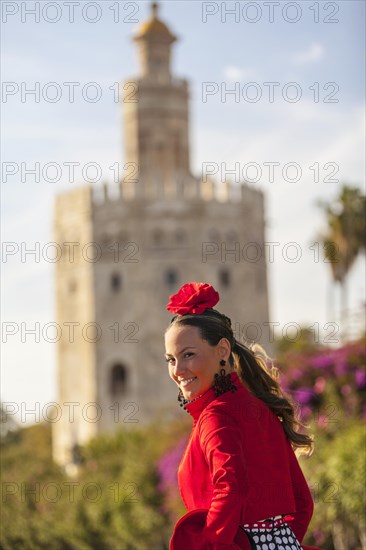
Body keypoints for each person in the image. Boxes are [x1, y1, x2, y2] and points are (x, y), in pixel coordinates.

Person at [164, 282, 321, 550]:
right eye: (170, 359)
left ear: (222, 350)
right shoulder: (260, 408)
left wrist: (217, 545)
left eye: (188, 355)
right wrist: (278, 543)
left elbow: (229, 488)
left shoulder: (217, 415)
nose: (178, 370)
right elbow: (303, 502)